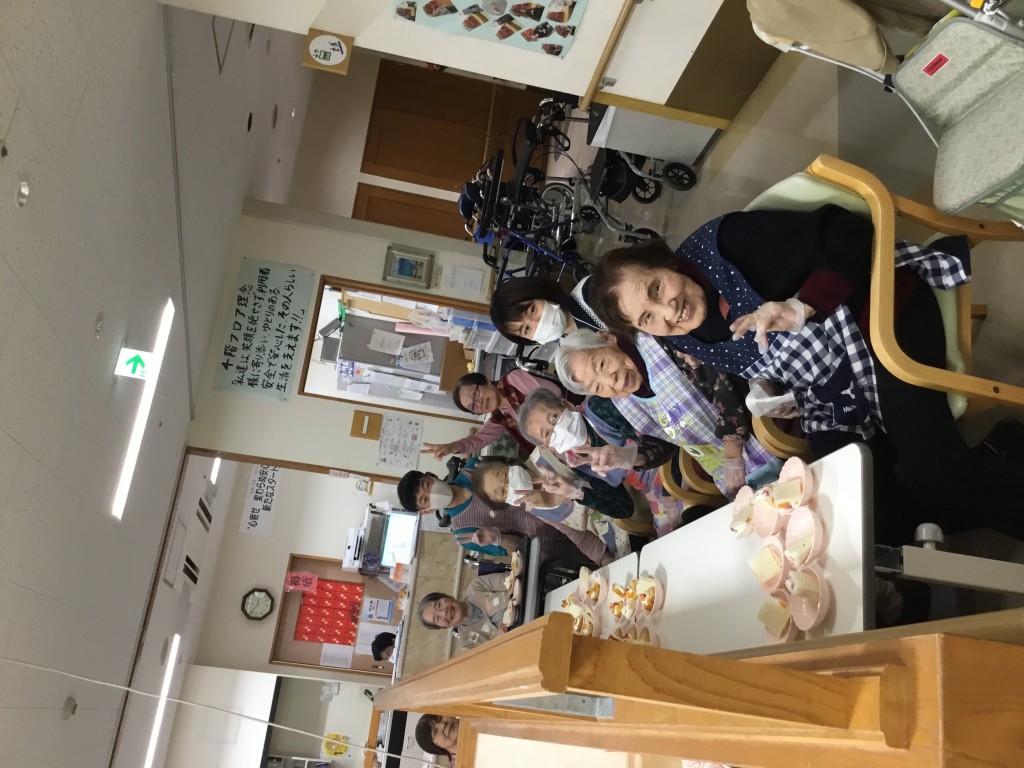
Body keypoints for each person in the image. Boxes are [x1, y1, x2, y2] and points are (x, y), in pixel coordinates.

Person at [587, 205, 1024, 546]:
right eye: (648, 318)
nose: (668, 311)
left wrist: (805, 305)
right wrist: (768, 393)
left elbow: (849, 229)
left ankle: (983, 465)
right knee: (861, 508)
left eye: (656, 289)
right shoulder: (685, 337)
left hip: (879, 316)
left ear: (664, 263)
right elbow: (753, 363)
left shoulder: (728, 245)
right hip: (830, 383)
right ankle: (992, 456)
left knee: (938, 478)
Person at [552, 328, 782, 496]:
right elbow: (665, 444)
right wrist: (627, 457)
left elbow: (720, 384)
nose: (610, 381)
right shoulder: (623, 401)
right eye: (597, 387)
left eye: (601, 364)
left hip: (764, 433)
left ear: (607, 338)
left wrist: (733, 457)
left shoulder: (657, 343)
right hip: (731, 476)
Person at [396, 460, 611, 564]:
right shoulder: (463, 533)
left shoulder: (474, 468)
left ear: (432, 476)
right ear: (426, 511)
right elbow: (519, 551)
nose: (431, 493)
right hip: (553, 545)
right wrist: (497, 538)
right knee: (602, 554)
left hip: (563, 501)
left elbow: (522, 469)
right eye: (425, 500)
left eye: (427, 485)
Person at [470, 456, 637, 559]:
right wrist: (604, 560)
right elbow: (580, 537)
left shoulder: (548, 456)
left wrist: (566, 492)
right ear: (506, 503)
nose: (509, 486)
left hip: (629, 510)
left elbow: (607, 479)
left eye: (505, 476)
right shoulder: (534, 508)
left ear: (509, 462)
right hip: (615, 541)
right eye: (503, 492)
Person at [421, 370, 561, 459]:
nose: (479, 403)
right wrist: (451, 447)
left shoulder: (512, 380)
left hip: (565, 422)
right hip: (557, 448)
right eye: (473, 407)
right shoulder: (500, 417)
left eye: (475, 395)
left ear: (486, 381)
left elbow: (555, 393)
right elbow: (477, 440)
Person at [490, 275, 605, 346]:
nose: (537, 323)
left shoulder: (591, 291)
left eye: (532, 310)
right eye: (526, 329)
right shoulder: (571, 355)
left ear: (541, 293)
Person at [418, 572, 512, 649]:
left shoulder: (477, 586)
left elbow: (513, 579)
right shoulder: (467, 641)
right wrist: (500, 641)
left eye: (439, 605)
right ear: (444, 627)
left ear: (448, 597)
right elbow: (495, 658)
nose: (443, 612)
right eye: (437, 618)